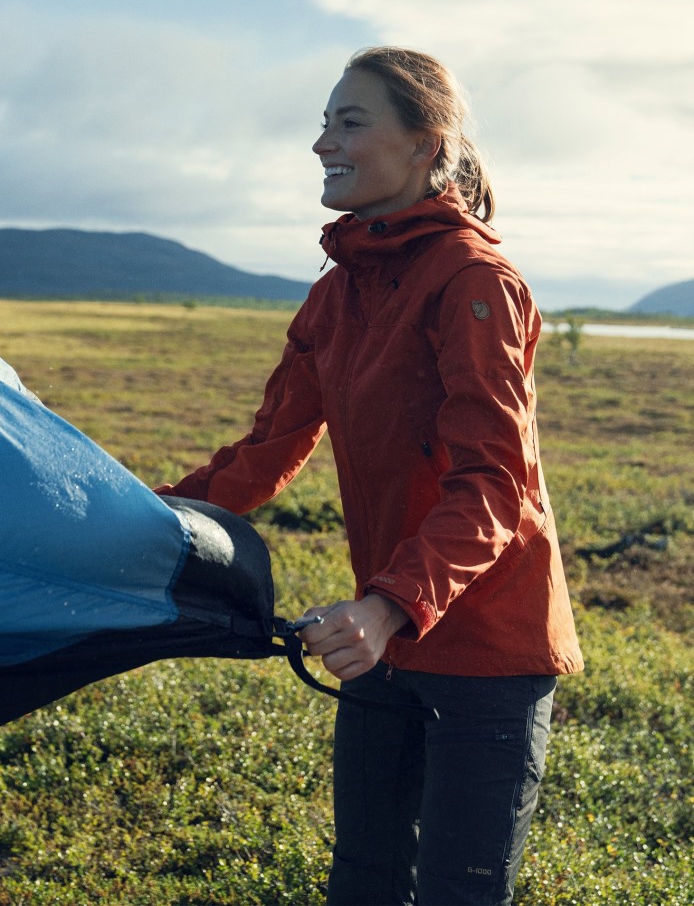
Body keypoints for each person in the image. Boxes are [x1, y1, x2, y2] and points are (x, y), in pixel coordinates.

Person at [155, 46, 583, 905]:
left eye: (350, 122)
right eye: (323, 123)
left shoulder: (475, 283)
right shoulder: (337, 292)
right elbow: (268, 451)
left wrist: (387, 606)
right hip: (383, 636)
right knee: (364, 881)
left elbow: (496, 482)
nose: (322, 143)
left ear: (427, 145)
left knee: (461, 892)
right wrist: (141, 517)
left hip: (485, 646)